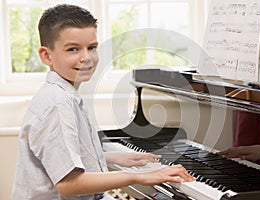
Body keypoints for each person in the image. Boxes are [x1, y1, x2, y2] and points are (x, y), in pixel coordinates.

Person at [11, 4, 195, 200]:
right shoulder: (57, 105)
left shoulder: (61, 94)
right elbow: (68, 184)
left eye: (92, 48)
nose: (86, 58)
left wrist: (110, 157)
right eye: (73, 49)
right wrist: (138, 176)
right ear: (46, 56)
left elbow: (63, 159)